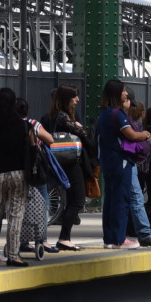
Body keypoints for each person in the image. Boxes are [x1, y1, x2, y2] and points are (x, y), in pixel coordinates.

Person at [0, 89, 51, 267]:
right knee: (15, 215)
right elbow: (32, 148)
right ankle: (13, 255)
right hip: (19, 173)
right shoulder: (24, 126)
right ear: (14, 104)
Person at [95, 81, 151, 248]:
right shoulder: (117, 115)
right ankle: (120, 239)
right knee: (122, 200)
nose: (126, 94)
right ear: (117, 94)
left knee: (110, 200)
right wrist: (145, 134)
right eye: (124, 91)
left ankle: (110, 238)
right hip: (121, 161)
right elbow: (131, 135)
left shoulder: (103, 114)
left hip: (107, 161)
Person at [40, 86, 90, 252]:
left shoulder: (51, 115)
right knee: (78, 199)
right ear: (67, 99)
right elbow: (83, 135)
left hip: (56, 161)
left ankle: (59, 237)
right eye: (74, 97)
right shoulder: (63, 117)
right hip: (69, 162)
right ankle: (64, 238)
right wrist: (79, 127)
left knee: (69, 199)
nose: (77, 100)